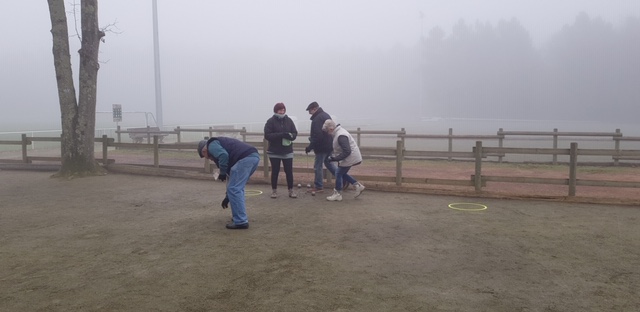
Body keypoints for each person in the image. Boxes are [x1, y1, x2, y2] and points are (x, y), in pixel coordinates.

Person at [198, 137, 260, 229]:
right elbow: (230, 178)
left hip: (245, 158)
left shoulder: (211, 145)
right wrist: (228, 197)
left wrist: (222, 172)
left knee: (235, 189)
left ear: (204, 151)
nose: (209, 159)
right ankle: (239, 217)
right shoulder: (223, 151)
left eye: (205, 156)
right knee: (237, 188)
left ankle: (241, 221)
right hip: (253, 157)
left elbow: (223, 155)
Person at [322, 119, 365, 201]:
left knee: (338, 173)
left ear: (331, 129)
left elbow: (347, 151)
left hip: (350, 157)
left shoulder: (341, 135)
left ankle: (338, 193)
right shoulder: (339, 133)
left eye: (327, 131)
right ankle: (357, 185)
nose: (327, 133)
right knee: (341, 173)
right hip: (350, 157)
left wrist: (334, 158)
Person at [304, 101, 342, 193]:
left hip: (321, 146)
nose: (309, 113)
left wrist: (310, 146)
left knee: (318, 166)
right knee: (329, 163)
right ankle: (342, 179)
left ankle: (318, 186)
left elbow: (317, 136)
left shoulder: (317, 119)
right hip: (329, 144)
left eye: (309, 110)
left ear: (314, 109)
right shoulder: (326, 115)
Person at [264, 102, 298, 199]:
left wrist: (291, 136)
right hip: (274, 151)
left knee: (289, 171)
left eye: (283, 110)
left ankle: (291, 190)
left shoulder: (289, 121)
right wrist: (281, 134)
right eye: (280, 110)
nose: (282, 111)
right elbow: (267, 135)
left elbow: (295, 133)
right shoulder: (270, 121)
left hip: (287, 151)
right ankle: (274, 191)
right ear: (276, 110)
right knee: (275, 171)